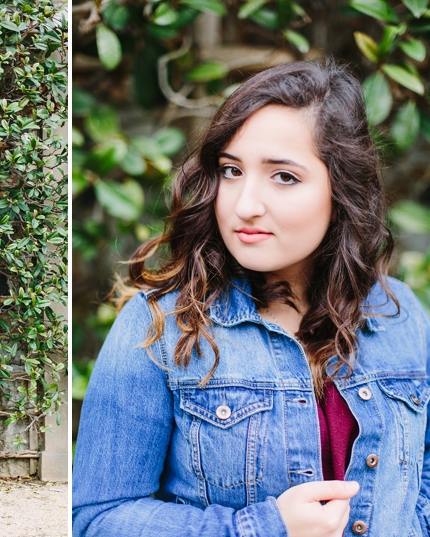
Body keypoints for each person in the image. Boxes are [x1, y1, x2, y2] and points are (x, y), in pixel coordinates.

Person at [72, 60, 430, 537]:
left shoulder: (398, 312)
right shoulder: (162, 322)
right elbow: (95, 518)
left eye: (283, 176)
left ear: (341, 189)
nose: (243, 205)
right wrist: (262, 528)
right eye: (231, 170)